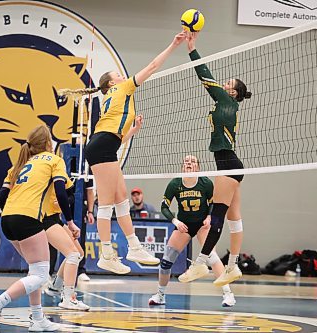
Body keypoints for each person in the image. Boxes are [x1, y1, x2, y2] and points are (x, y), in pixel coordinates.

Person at [59, 31, 187, 274]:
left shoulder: (110, 99)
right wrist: (173, 45)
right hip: (102, 146)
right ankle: (106, 253)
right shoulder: (123, 89)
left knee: (121, 200)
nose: (122, 76)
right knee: (106, 204)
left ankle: (133, 246)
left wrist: (132, 132)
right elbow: (152, 66)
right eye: (117, 75)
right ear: (111, 83)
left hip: (104, 145)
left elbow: (112, 137)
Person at [0, 124, 78, 333]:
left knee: (35, 271)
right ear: (48, 143)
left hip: (7, 219)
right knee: (42, 276)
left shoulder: (18, 165)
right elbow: (62, 194)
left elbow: (1, 198)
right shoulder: (54, 160)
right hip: (28, 218)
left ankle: (37, 319)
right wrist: (70, 222)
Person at [179, 32, 251, 286]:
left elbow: (205, 75)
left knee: (217, 215)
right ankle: (232, 267)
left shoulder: (224, 99)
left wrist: (192, 50)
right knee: (234, 218)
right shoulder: (229, 105)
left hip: (229, 165)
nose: (224, 83)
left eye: (228, 83)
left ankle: (200, 263)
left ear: (232, 92)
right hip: (231, 164)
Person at [148, 155, 236, 307]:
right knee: (166, 260)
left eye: (193, 161)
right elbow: (164, 207)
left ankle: (228, 295)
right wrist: (175, 221)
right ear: (182, 166)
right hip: (185, 225)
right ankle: (160, 295)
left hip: (202, 224)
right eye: (186, 162)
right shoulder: (175, 183)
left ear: (198, 166)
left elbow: (213, 203)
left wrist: (209, 217)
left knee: (212, 256)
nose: (189, 163)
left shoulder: (205, 182)